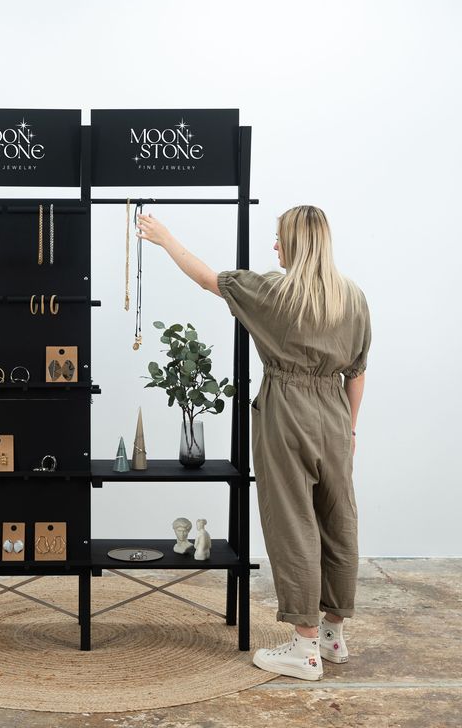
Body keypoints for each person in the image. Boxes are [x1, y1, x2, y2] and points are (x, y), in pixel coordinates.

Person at [136, 205, 371, 682]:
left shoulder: (273, 292)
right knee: (338, 520)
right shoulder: (352, 298)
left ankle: (304, 648)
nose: (274, 246)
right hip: (335, 413)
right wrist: (348, 429)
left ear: (297, 244)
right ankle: (333, 635)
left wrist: (165, 239)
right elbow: (358, 370)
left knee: (293, 524)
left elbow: (207, 278)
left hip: (287, 413)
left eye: (280, 238)